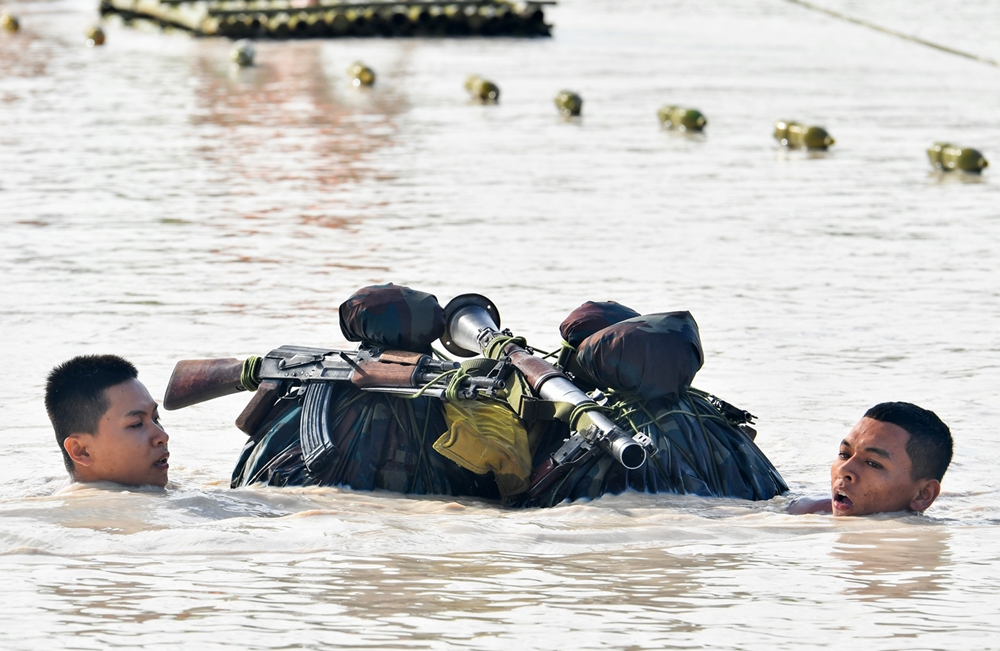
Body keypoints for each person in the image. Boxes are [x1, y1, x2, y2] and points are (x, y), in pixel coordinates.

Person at [788, 402, 952, 516]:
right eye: (844, 454)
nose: (843, 470)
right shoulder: (803, 510)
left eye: (873, 463)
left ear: (923, 495)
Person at [44, 355, 170, 487]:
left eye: (156, 419)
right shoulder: (104, 506)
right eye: (136, 424)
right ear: (81, 451)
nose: (163, 437)